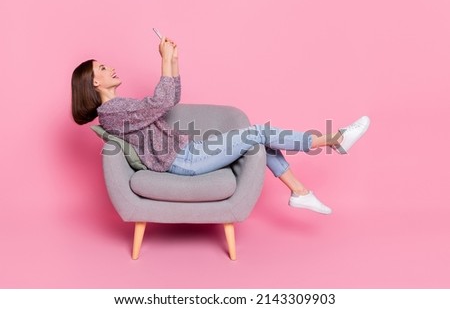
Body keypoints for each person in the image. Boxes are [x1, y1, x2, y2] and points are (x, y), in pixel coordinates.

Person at [71, 36, 370, 215]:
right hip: (183, 161)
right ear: (95, 82)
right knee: (258, 131)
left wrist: (173, 60)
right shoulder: (112, 112)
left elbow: (169, 98)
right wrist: (164, 60)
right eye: (102, 67)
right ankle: (333, 140)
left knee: (258, 139)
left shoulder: (121, 107)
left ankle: (300, 193)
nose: (109, 68)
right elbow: (160, 102)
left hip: (190, 150)